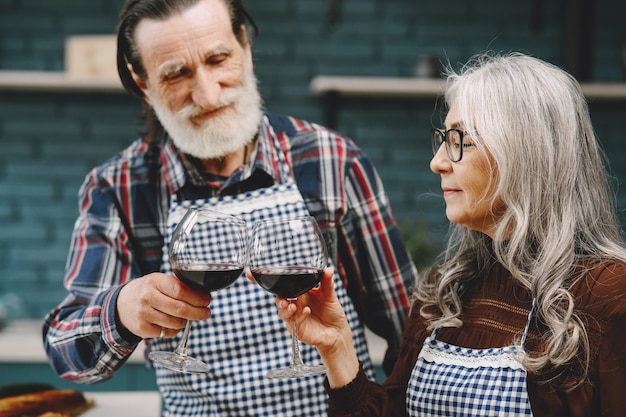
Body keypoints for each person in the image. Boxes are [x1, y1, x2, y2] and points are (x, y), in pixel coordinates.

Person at [41, 0, 417, 415]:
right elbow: (66, 353)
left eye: (217, 59)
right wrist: (121, 310)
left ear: (245, 46)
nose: (206, 93)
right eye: (176, 73)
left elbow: (407, 337)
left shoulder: (331, 160)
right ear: (143, 82)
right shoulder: (118, 188)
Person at [273, 52, 626, 416]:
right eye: (443, 137)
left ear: (524, 153)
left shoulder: (609, 297)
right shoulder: (445, 291)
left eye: (459, 139)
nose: (438, 161)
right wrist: (337, 348)